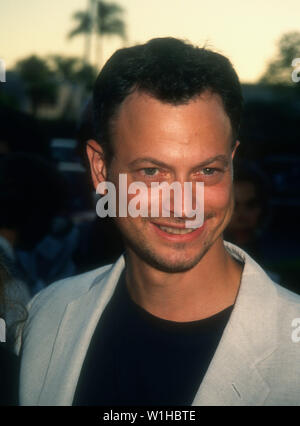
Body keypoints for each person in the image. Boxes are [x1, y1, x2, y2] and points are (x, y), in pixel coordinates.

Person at [19, 37, 300, 406]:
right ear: (100, 169)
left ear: (232, 163)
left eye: (207, 170)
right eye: (152, 171)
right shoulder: (45, 316)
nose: (184, 206)